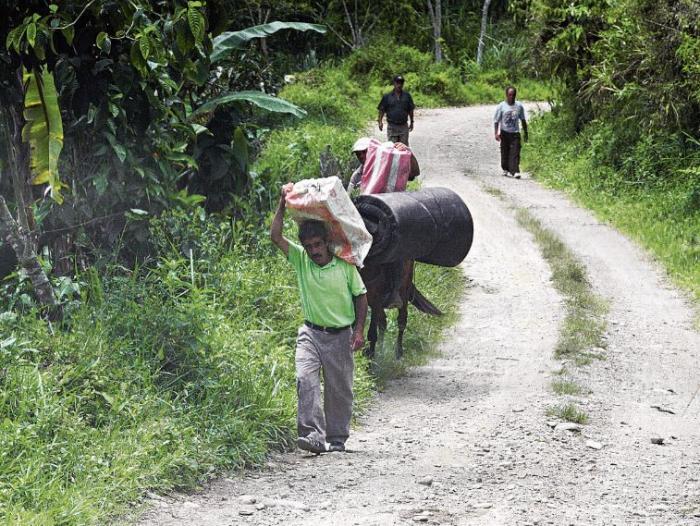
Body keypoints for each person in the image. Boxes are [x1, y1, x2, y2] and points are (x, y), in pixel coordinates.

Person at [270, 185, 368, 455]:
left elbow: (361, 296)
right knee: (305, 380)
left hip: (340, 335)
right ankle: (312, 435)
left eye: (317, 245)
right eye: (308, 246)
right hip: (311, 334)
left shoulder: (344, 266)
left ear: (326, 243)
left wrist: (359, 330)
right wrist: (282, 202)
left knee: (339, 390)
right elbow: (275, 236)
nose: (313, 251)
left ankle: (336, 439)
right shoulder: (301, 261)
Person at [346, 137, 420, 309]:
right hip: (366, 223)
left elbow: (414, 172)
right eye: (359, 154)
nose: (362, 157)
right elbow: (350, 201)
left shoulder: (391, 164)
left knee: (397, 255)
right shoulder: (357, 176)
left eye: (365, 152)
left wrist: (408, 153)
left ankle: (395, 291)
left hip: (393, 220)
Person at [494, 86, 528, 179]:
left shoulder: (519, 106)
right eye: (510, 95)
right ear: (506, 95)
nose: (511, 97)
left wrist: (526, 133)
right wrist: (496, 133)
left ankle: (515, 171)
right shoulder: (501, 106)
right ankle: (505, 168)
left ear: (515, 95)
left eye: (513, 95)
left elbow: (523, 120)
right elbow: (496, 120)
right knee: (505, 152)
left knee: (515, 152)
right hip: (504, 133)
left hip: (515, 133)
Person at [377, 75, 415, 146]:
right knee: (392, 148)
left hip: (403, 127)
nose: (399, 85)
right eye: (397, 83)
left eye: (401, 83)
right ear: (394, 83)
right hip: (392, 127)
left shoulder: (407, 96)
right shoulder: (387, 97)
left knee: (403, 148)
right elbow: (381, 110)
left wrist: (412, 122)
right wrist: (380, 122)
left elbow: (410, 110)